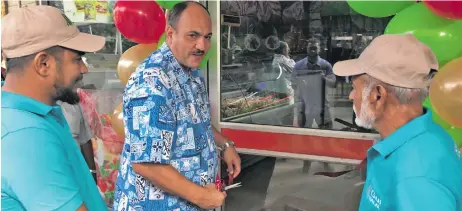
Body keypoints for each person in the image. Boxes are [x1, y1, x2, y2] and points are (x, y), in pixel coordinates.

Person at [113, 2, 241, 211]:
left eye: (207, 37)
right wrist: (201, 197)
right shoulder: (152, 81)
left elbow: (197, 123)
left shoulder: (190, 72)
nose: (202, 46)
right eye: (193, 35)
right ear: (170, 34)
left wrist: (226, 145)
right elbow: (147, 163)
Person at [333, 34, 462, 211]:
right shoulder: (430, 133)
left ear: (377, 95)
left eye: (355, 88)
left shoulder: (416, 180)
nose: (351, 96)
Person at [1, 6, 107, 210]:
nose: (84, 69)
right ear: (43, 64)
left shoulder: (36, 114)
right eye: (77, 59)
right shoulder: (26, 135)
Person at [292, 38, 336, 173]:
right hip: (305, 106)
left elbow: (333, 82)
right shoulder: (298, 65)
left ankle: (326, 162)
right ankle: (306, 163)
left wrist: (323, 79)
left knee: (325, 136)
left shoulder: (325, 65)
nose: (312, 50)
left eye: (315, 48)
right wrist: (302, 82)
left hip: (322, 105)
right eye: (310, 48)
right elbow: (293, 83)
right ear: (307, 48)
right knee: (306, 137)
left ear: (319, 49)